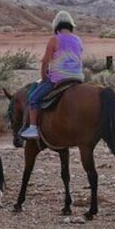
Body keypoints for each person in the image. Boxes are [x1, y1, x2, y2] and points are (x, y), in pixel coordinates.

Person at [19, 11, 84, 139]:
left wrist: (44, 78)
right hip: (77, 77)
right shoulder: (78, 40)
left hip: (58, 78)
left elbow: (45, 62)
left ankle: (33, 128)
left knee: (33, 98)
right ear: (71, 25)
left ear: (56, 26)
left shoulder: (54, 40)